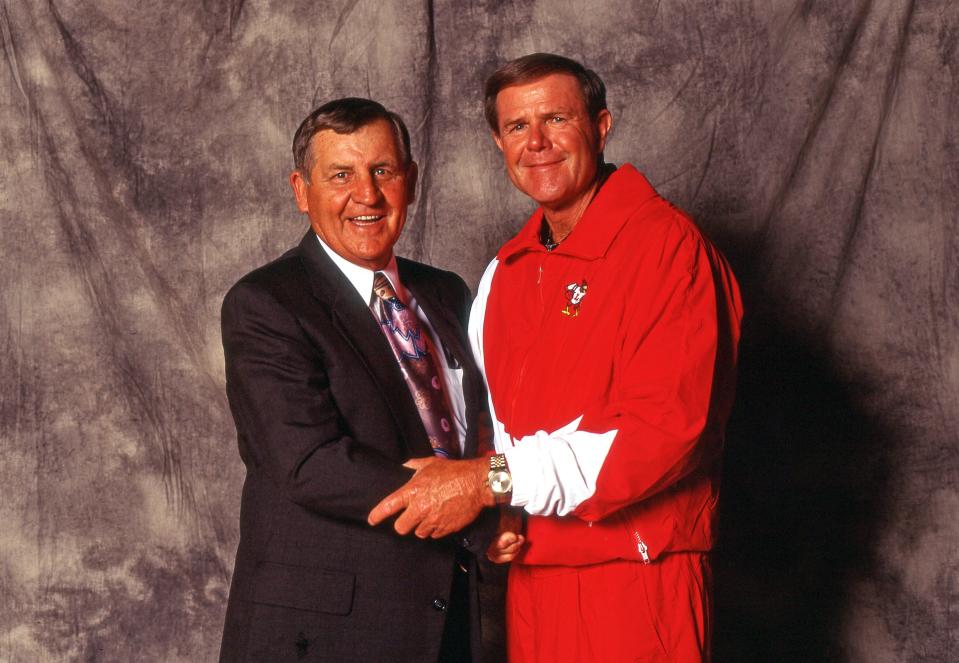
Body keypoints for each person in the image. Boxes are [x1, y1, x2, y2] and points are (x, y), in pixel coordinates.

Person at [369, 54, 743, 662]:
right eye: (518, 127)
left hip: (633, 580)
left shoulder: (668, 250)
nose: (536, 142)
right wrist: (506, 508)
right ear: (498, 141)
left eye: (556, 119)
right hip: (533, 577)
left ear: (601, 125)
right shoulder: (506, 271)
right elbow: (496, 421)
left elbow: (664, 431)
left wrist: (491, 482)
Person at [218, 97, 500, 663]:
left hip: (451, 617)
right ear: (301, 191)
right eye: (341, 175)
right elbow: (309, 462)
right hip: (326, 630)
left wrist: (495, 494)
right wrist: (477, 501)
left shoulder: (449, 293)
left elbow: (487, 425)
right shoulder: (266, 303)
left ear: (411, 182)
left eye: (383, 171)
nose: (366, 195)